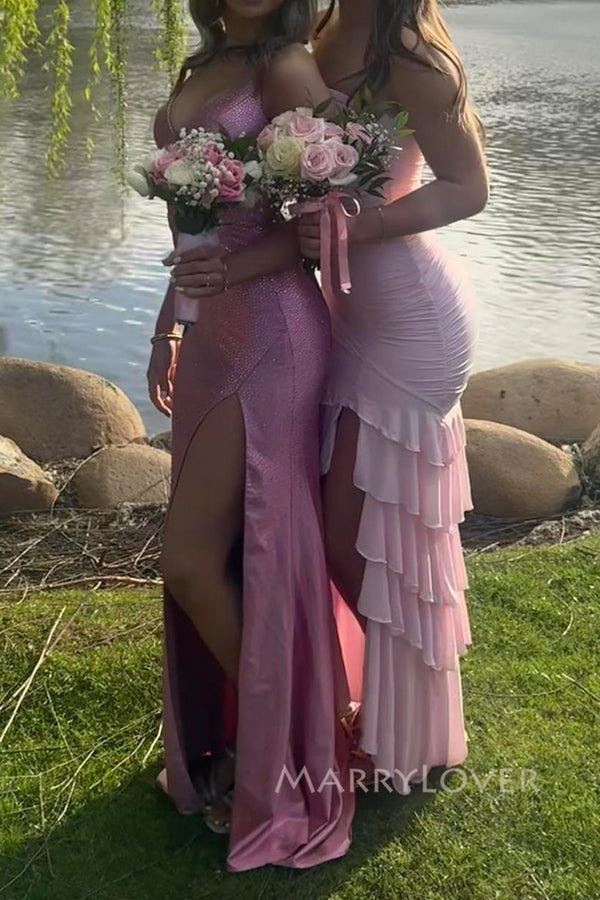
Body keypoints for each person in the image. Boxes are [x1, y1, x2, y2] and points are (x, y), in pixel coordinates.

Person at [148, 0, 354, 871]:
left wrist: (224, 274)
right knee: (224, 556)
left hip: (272, 332)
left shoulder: (287, 67)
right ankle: (250, 741)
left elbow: (316, 230)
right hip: (211, 330)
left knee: (193, 560)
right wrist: (169, 323)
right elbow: (190, 218)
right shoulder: (202, 65)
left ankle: (300, 750)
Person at [299, 0, 489, 790]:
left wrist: (360, 228)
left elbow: (468, 188)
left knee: (360, 539)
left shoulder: (413, 55)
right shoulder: (314, 31)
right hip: (350, 312)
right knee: (346, 530)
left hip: (410, 319)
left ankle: (406, 733)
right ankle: (379, 709)